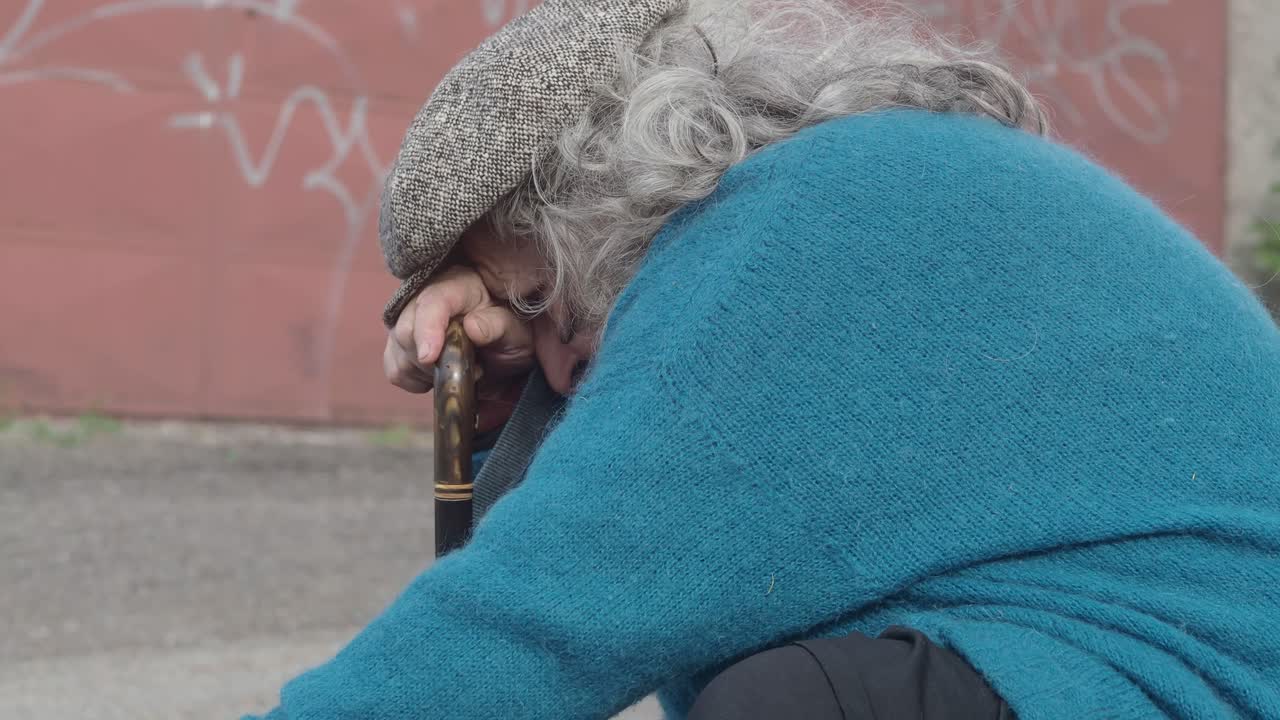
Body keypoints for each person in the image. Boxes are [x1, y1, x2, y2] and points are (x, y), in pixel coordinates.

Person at [246, 1, 1280, 718]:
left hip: (1203, 673)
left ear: (597, 194)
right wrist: (508, 394)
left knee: (793, 706)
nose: (557, 366)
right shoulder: (840, 192)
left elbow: (543, 612)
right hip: (1157, 656)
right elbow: (599, 571)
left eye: (540, 301)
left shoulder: (798, 235)